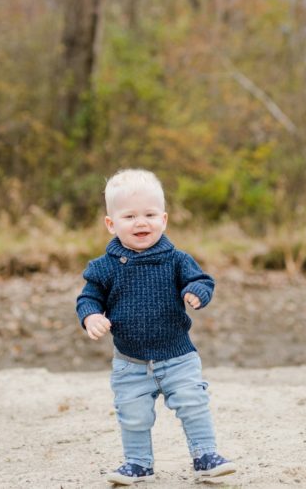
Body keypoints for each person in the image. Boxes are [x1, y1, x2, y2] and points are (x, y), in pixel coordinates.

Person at [76, 169, 237, 486]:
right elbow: (88, 298)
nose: (141, 222)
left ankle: (206, 456)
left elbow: (201, 280)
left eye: (149, 215)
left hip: (178, 357)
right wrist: (91, 316)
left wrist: (197, 292)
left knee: (193, 403)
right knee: (133, 414)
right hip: (130, 362)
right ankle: (138, 463)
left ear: (163, 219)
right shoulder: (103, 267)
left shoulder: (176, 259)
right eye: (129, 216)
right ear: (111, 224)